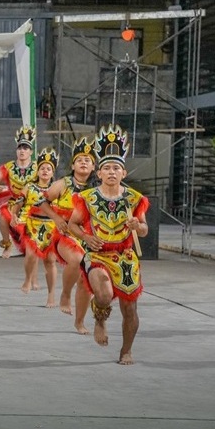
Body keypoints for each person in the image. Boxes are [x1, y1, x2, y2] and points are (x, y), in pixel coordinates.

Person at [68, 124, 149, 365]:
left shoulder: (134, 199)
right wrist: (86, 238)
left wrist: (138, 226)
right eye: (106, 168)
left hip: (125, 257)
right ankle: (100, 320)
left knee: (130, 309)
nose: (111, 172)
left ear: (123, 173)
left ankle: (126, 350)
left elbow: (145, 230)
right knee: (103, 294)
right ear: (99, 173)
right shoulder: (87, 198)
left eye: (116, 168)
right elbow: (72, 225)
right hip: (98, 255)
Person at [36, 136, 97, 333]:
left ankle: (79, 321)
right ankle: (65, 294)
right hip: (65, 234)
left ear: (94, 167)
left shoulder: (98, 188)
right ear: (72, 165)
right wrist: (55, 218)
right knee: (77, 259)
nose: (83, 162)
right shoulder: (62, 184)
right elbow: (41, 202)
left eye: (88, 160)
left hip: (90, 237)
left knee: (86, 280)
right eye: (80, 160)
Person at [12, 148, 58, 306]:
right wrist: (14, 215)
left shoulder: (57, 189)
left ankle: (51, 295)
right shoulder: (30, 187)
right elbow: (18, 203)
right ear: (37, 171)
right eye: (42, 168)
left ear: (52, 173)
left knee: (50, 261)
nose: (45, 171)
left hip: (51, 227)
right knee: (31, 256)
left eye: (48, 169)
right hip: (32, 225)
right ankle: (27, 279)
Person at [0, 125, 38, 258]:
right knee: (3, 216)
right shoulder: (9, 167)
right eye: (20, 148)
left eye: (25, 148)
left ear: (31, 152)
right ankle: (7, 244)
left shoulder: (38, 167)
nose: (22, 151)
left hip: (32, 203)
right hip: (14, 202)